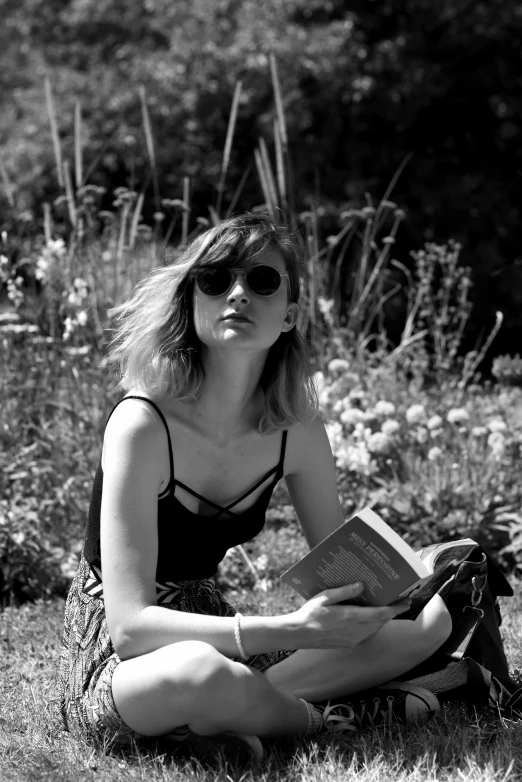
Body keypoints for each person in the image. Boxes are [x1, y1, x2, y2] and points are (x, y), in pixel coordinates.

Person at [58, 213, 452, 762]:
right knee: (200, 673)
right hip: (127, 659)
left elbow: (344, 573)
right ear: (191, 302)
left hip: (219, 628)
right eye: (216, 280)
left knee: (429, 625)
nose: (238, 293)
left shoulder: (297, 431)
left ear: (289, 314)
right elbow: (131, 628)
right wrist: (294, 629)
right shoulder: (142, 424)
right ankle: (321, 718)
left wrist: (392, 593)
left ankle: (228, 718)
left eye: (262, 281)